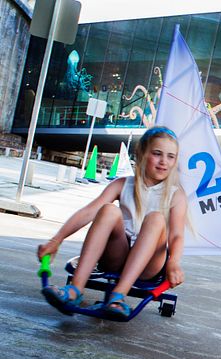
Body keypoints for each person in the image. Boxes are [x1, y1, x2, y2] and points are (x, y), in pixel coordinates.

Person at [37, 126, 187, 320]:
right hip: (117, 255)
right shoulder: (122, 184)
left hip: (149, 265)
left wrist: (174, 262)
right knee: (107, 210)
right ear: (142, 153)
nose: (163, 162)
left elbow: (176, 235)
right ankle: (75, 289)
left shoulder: (176, 194)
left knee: (156, 218)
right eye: (157, 154)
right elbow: (89, 212)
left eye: (170, 157)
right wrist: (56, 240)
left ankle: (118, 297)